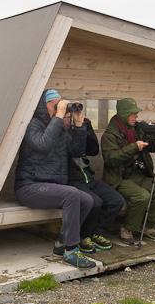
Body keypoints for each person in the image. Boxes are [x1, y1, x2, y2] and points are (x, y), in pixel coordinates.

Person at [15, 89, 97, 268]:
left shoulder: (59, 127)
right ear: (44, 107)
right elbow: (43, 144)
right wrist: (59, 117)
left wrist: (79, 126)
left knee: (87, 200)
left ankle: (61, 242)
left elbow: (76, 152)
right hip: (30, 187)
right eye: (56, 105)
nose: (61, 109)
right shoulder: (33, 125)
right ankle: (71, 250)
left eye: (61, 105)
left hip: (52, 187)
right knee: (72, 194)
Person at [101, 98, 155, 245]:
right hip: (119, 178)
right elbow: (111, 159)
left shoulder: (137, 129)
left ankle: (148, 225)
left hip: (138, 174)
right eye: (133, 114)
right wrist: (134, 147)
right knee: (142, 196)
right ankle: (127, 228)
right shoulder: (109, 135)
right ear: (124, 114)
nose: (136, 117)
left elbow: (150, 146)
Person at [66, 115, 124, 250]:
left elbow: (93, 150)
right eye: (68, 116)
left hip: (88, 178)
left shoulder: (79, 129)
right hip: (72, 180)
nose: (72, 119)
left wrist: (87, 126)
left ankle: (97, 232)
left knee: (116, 200)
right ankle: (83, 235)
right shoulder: (61, 134)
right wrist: (77, 130)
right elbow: (74, 150)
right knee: (95, 202)